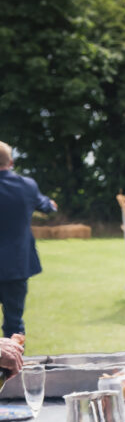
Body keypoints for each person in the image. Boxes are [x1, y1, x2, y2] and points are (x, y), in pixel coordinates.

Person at [0, 141, 57, 338]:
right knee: (14, 324)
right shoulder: (27, 186)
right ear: (11, 162)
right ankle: (12, 368)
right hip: (16, 265)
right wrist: (51, 204)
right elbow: (46, 206)